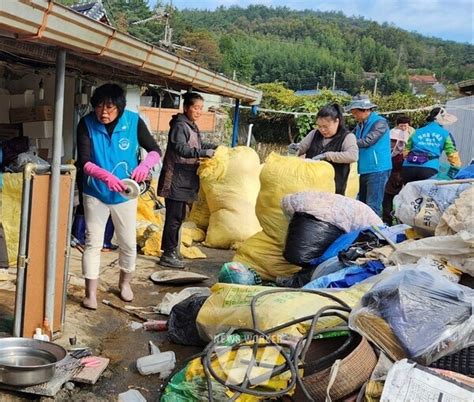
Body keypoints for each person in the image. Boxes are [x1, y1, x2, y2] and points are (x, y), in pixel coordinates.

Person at [77, 83, 162, 309]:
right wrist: (104, 176)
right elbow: (84, 161)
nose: (103, 112)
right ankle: (90, 294)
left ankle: (125, 284)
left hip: (125, 193)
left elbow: (155, 150)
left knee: (127, 242)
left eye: (110, 107)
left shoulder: (134, 122)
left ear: (120, 108)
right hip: (95, 192)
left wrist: (146, 165)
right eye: (99, 107)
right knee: (93, 242)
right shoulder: (86, 124)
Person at [157, 92, 216, 269]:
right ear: (186, 108)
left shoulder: (191, 126)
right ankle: (167, 254)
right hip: (175, 178)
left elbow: (197, 145)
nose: (199, 111)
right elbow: (181, 148)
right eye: (195, 108)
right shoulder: (179, 126)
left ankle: (172, 251)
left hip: (185, 179)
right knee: (173, 218)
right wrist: (203, 153)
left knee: (178, 218)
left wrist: (214, 148)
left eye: (201, 108)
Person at [288, 103, 358, 195]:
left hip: (334, 189)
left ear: (337, 122)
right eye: (319, 126)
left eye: (325, 126)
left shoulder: (347, 137)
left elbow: (353, 156)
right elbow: (301, 148)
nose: (322, 130)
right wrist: (294, 150)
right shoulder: (314, 134)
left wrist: (327, 155)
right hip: (309, 186)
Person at [346, 94, 392, 217]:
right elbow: (350, 136)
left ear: (365, 110)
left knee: (373, 206)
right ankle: (364, 232)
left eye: (355, 113)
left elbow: (367, 141)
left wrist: (347, 142)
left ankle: (374, 233)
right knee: (362, 204)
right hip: (365, 168)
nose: (354, 116)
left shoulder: (380, 123)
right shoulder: (360, 125)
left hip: (378, 169)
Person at [401, 107, 461, 183]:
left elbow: (406, 151)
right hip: (429, 168)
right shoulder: (445, 134)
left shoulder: (416, 132)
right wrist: (455, 170)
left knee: (408, 193)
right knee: (426, 194)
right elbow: (452, 154)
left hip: (408, 168)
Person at [382, 115, 414, 224]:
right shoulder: (392, 134)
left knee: (406, 195)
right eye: (401, 126)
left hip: (406, 168)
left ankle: (404, 221)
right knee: (388, 194)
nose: (403, 128)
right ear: (397, 125)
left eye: (405, 126)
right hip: (393, 167)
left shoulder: (413, 134)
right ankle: (387, 220)